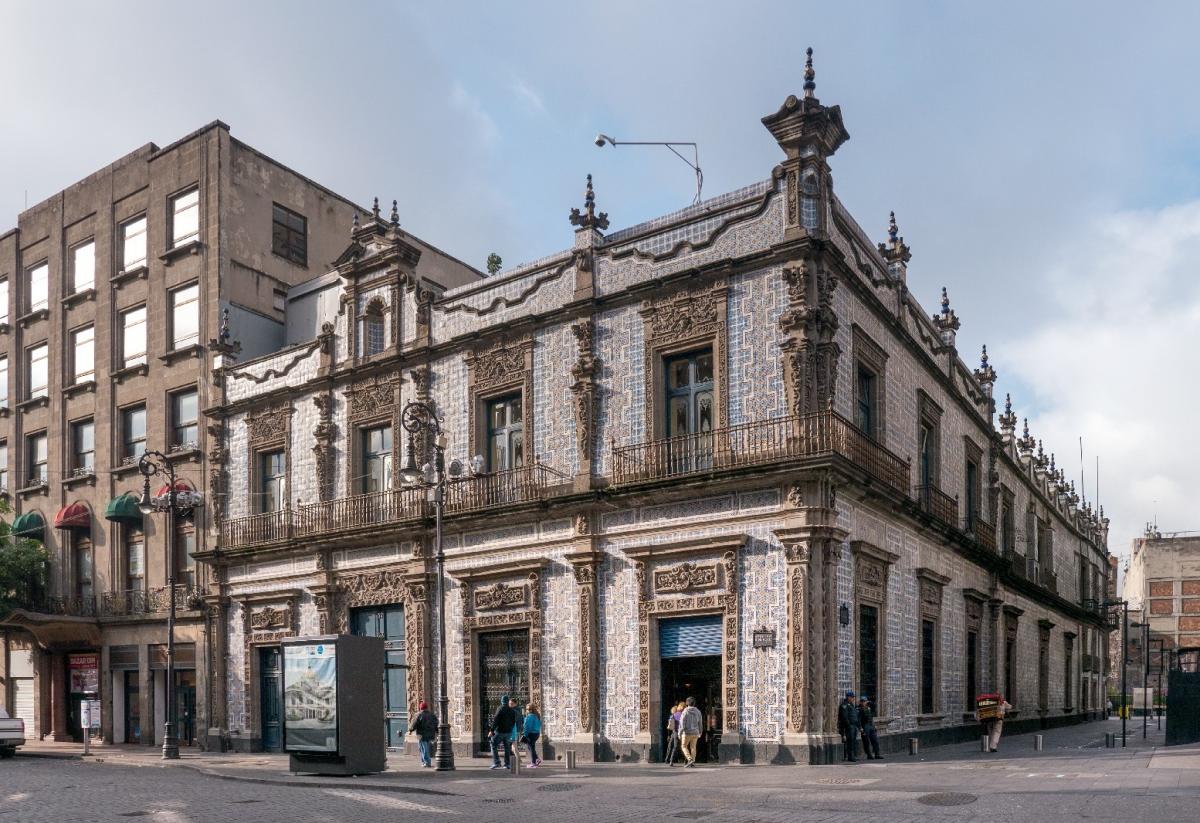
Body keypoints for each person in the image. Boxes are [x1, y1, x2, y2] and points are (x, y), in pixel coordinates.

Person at [489, 693, 517, 769]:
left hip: (500, 731)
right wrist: (510, 729)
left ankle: (497, 762)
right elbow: (514, 721)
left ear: (502, 701)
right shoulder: (512, 710)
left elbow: (495, 720)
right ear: (507, 701)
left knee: (493, 744)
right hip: (508, 732)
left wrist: (492, 730)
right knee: (507, 747)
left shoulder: (500, 708)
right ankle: (507, 764)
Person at [408, 701, 438, 768]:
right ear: (427, 707)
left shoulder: (418, 715)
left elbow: (414, 724)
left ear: (421, 708)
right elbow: (436, 723)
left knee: (423, 748)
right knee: (425, 748)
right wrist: (437, 731)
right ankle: (424, 761)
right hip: (430, 734)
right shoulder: (432, 715)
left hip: (421, 734)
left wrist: (410, 730)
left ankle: (427, 762)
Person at [678, 697, 703, 768]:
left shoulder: (685, 711)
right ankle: (692, 761)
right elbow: (700, 723)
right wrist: (700, 732)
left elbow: (682, 723)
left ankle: (690, 759)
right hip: (695, 732)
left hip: (687, 732)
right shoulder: (698, 711)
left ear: (687, 703)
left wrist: (680, 733)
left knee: (683, 746)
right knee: (693, 747)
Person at [837, 690, 860, 762]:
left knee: (853, 741)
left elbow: (855, 716)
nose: (853, 698)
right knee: (850, 742)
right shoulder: (844, 705)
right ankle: (850, 757)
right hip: (849, 727)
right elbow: (844, 717)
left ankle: (853, 755)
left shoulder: (852, 705)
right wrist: (848, 725)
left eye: (853, 697)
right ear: (848, 697)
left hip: (853, 726)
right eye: (852, 697)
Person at [858, 696, 881, 760]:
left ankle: (877, 754)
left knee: (875, 740)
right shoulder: (860, 709)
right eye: (862, 701)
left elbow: (874, 706)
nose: (863, 702)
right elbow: (858, 720)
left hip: (871, 726)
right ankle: (869, 755)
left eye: (864, 701)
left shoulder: (869, 708)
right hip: (865, 726)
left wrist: (874, 725)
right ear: (860, 702)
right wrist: (860, 727)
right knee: (866, 742)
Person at [523, 703, 543, 767]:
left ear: (532, 710)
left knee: (531, 748)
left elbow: (527, 727)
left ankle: (533, 763)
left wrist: (525, 735)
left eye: (529, 709)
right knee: (531, 747)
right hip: (536, 734)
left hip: (531, 734)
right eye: (527, 709)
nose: (528, 710)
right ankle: (537, 759)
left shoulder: (529, 717)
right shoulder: (537, 716)